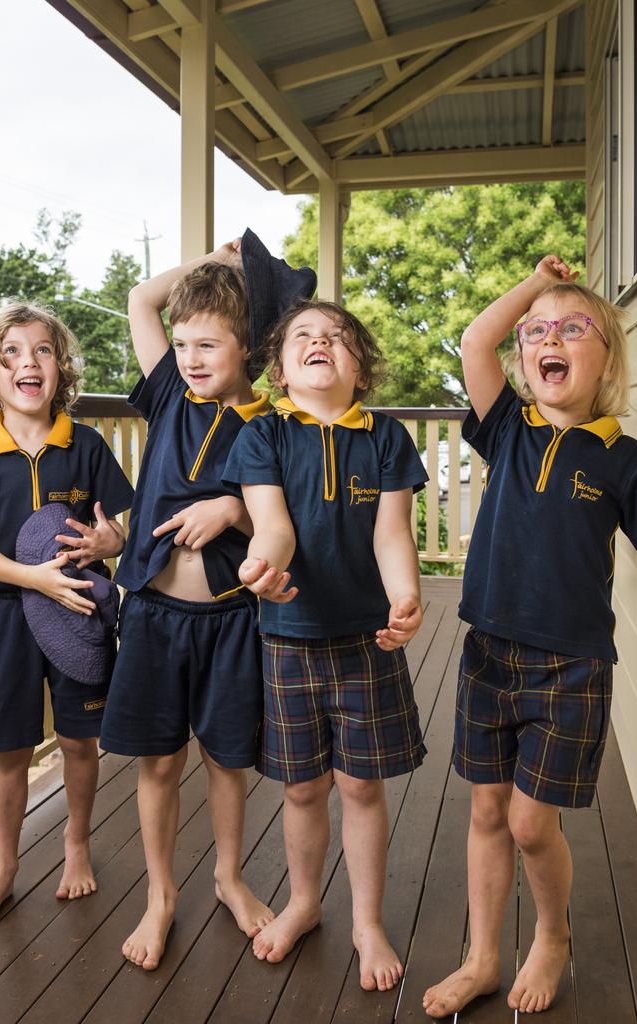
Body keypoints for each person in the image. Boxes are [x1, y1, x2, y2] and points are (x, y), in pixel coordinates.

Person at [423, 255, 637, 1017]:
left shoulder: (623, 457)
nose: (550, 339)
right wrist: (534, 286)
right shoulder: (508, 429)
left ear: (606, 354)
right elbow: (475, 341)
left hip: (573, 667)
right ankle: (483, 957)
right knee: (486, 814)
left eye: (573, 329)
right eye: (537, 332)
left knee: (528, 823)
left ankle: (551, 935)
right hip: (487, 653)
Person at [99, 237, 315, 971]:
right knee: (157, 763)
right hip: (155, 616)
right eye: (183, 343)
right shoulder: (167, 394)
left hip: (229, 621)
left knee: (227, 762)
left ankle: (227, 876)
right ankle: (161, 894)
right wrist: (206, 266)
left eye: (208, 345)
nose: (190, 357)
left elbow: (280, 522)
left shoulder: (273, 424)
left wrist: (230, 509)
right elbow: (140, 299)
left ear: (248, 347)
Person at [224, 299, 428, 992]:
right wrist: (263, 566)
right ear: (280, 371)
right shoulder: (264, 437)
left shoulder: (387, 439)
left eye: (338, 339)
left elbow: (391, 533)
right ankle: (305, 902)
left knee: (361, 786)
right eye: (303, 338)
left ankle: (367, 921)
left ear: (361, 369)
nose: (321, 344)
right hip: (290, 637)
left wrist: (407, 598)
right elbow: (273, 526)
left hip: (368, 638)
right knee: (304, 788)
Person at [0, 299, 134, 931]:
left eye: (43, 351)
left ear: (61, 368)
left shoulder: (84, 445)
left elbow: (121, 531)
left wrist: (111, 545)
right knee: (9, 749)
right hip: (4, 615)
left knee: (81, 739)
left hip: (78, 612)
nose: (29, 363)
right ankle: (2, 869)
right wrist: (36, 580)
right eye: (12, 355)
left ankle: (76, 843)